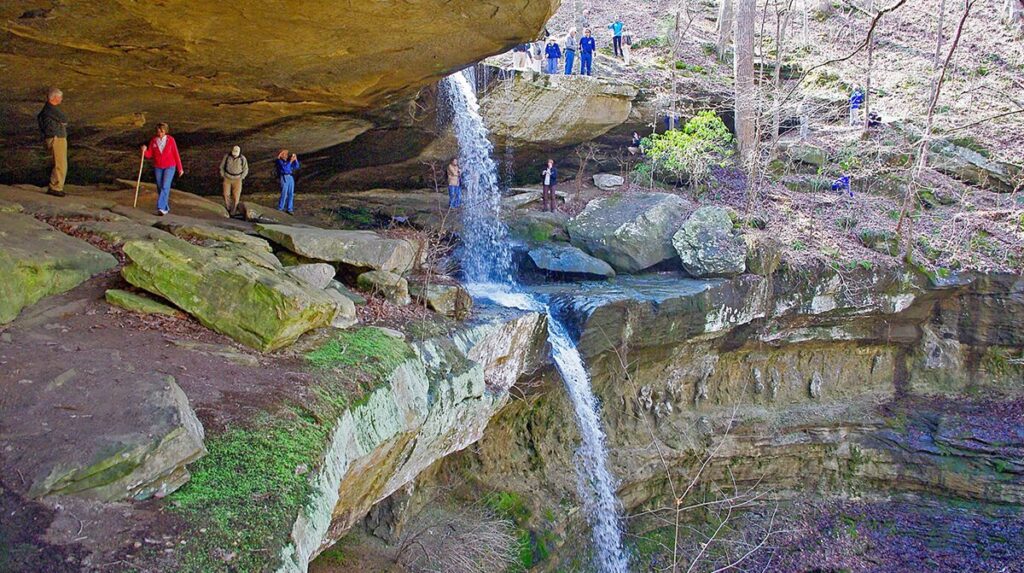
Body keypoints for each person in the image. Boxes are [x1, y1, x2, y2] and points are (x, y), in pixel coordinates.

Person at [140, 122, 184, 216]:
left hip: (170, 166)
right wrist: (144, 151)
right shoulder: (153, 141)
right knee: (160, 186)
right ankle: (165, 208)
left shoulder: (170, 140)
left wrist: (180, 168)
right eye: (159, 131)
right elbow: (149, 155)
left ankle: (160, 207)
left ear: (165, 131)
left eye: (162, 131)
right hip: (158, 167)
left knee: (165, 185)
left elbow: (176, 154)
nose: (160, 133)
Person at [37, 87, 68, 197]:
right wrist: (60, 124)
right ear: (54, 97)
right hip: (56, 138)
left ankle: (56, 186)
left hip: (54, 137)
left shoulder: (47, 109)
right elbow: (64, 119)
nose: (61, 99)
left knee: (59, 163)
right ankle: (55, 187)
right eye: (60, 97)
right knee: (60, 164)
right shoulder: (50, 109)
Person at [219, 145, 249, 216]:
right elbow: (222, 166)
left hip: (237, 179)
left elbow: (245, 169)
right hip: (227, 178)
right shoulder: (227, 157)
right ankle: (228, 208)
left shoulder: (242, 158)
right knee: (226, 194)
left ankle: (233, 211)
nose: (234, 155)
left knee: (236, 196)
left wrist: (242, 177)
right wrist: (222, 174)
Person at [275, 149, 300, 214]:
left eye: (286, 154)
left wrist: (295, 160)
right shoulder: (279, 161)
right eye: (285, 154)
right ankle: (280, 208)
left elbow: (296, 167)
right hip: (284, 177)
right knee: (284, 193)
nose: (286, 155)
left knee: (291, 194)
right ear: (281, 155)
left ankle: (289, 209)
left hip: (290, 177)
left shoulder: (288, 161)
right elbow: (285, 168)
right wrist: (291, 161)